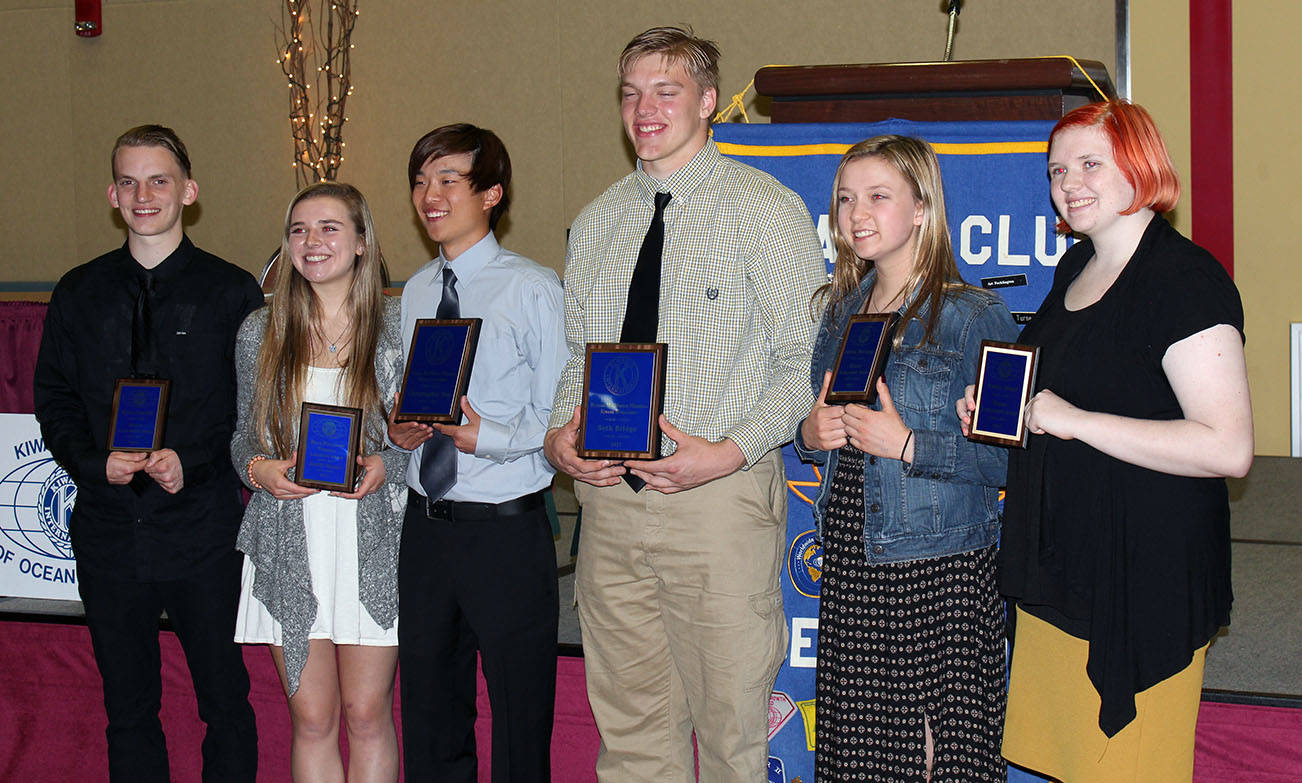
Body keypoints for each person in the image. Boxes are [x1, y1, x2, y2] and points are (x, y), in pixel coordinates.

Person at [542, 26, 826, 782]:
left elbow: (805, 361)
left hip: (720, 505)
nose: (645, 108)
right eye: (631, 93)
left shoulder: (765, 210)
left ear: (707, 102)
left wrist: (730, 450)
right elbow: (580, 358)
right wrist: (557, 438)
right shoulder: (599, 219)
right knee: (632, 738)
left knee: (734, 736)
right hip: (609, 511)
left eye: (666, 91)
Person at [959, 100, 1253, 782]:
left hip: (1140, 581)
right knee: (1073, 765)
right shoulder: (1075, 268)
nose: (1069, 183)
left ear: (1140, 163)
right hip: (1067, 570)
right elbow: (1056, 397)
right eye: (1057, 170)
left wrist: (1073, 419)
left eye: (1090, 163)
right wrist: (1003, 411)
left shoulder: (1185, 280)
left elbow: (1228, 447)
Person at [33, 125, 261, 782]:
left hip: (203, 530)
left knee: (224, 699)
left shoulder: (231, 291)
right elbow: (55, 396)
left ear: (188, 192)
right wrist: (88, 459)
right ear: (112, 193)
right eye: (128, 181)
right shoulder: (79, 291)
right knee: (128, 707)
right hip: (108, 528)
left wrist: (190, 460)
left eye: (158, 179)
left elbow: (248, 408)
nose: (143, 194)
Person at [796, 136, 1015, 780]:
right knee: (860, 761)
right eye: (844, 198)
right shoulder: (838, 313)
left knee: (939, 763)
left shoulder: (978, 316)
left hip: (940, 569)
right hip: (850, 564)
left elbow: (1012, 464)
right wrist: (811, 434)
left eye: (877, 196)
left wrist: (910, 445)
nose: (855, 213)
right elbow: (821, 440)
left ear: (922, 209)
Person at [387, 124, 566, 783]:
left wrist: (481, 436)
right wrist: (402, 428)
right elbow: (416, 400)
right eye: (420, 181)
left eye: (448, 181)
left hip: (505, 529)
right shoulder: (413, 292)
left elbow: (556, 417)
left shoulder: (532, 287)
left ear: (491, 193)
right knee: (430, 715)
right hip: (426, 527)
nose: (429, 196)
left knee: (521, 720)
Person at [231, 182, 406, 782]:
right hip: (289, 538)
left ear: (361, 243)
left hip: (371, 539)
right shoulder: (259, 332)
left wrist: (390, 464)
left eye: (329, 228)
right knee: (311, 719)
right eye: (299, 230)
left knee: (367, 713)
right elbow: (241, 442)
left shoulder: (399, 328)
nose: (312, 242)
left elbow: (424, 438)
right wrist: (261, 473)